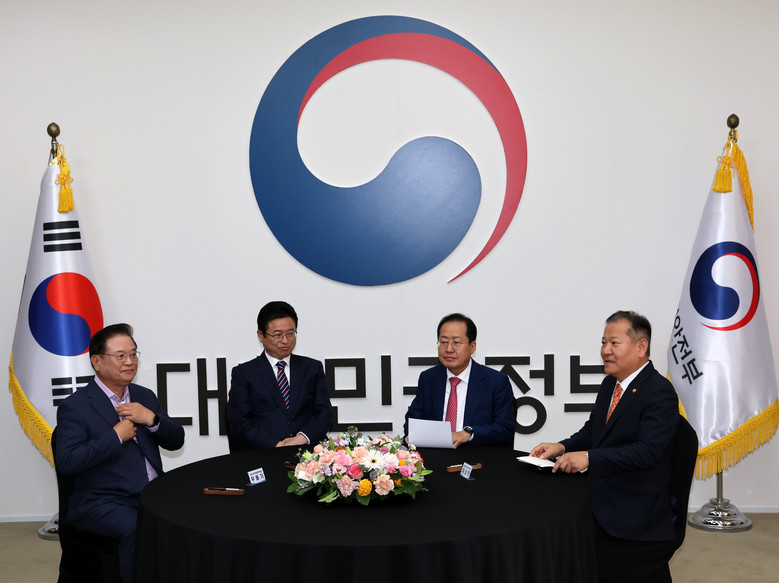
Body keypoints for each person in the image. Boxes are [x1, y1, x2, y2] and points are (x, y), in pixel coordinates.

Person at [530, 310, 679, 583]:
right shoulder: (611, 383)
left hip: (634, 512)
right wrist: (561, 446)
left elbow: (648, 452)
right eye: (603, 343)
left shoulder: (659, 392)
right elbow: (593, 431)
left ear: (641, 347)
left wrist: (589, 458)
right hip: (601, 497)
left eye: (614, 343)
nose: (605, 351)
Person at [54, 323, 185, 583]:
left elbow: (176, 441)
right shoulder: (75, 406)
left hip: (152, 494)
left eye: (133, 354)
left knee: (192, 519)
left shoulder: (144, 396)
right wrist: (115, 436)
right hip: (103, 501)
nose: (129, 361)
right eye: (120, 356)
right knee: (138, 529)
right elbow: (67, 461)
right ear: (96, 361)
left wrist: (152, 419)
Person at [226, 301, 333, 450]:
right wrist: (277, 445)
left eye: (290, 334)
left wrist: (302, 438)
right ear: (261, 335)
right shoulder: (245, 373)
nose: (285, 340)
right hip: (264, 453)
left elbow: (324, 413)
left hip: (308, 453)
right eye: (278, 335)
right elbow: (239, 422)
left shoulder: (312, 368)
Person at [403, 313, 515, 448]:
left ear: (472, 346)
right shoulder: (429, 378)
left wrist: (470, 433)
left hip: (478, 456)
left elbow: (505, 428)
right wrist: (412, 433)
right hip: (436, 455)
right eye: (443, 342)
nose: (449, 349)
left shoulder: (495, 381)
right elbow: (413, 420)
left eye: (456, 342)